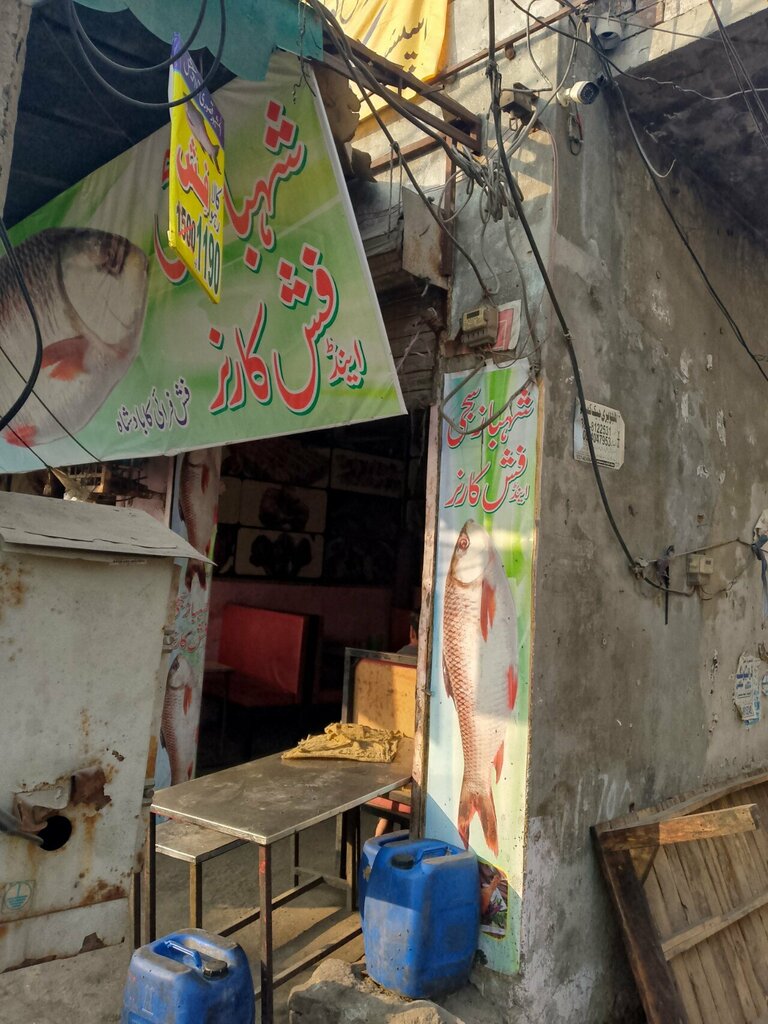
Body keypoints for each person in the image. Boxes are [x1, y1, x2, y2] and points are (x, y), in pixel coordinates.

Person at [375, 610, 420, 837]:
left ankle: (375, 847)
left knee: (387, 808)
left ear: (411, 631)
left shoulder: (392, 663)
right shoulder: (432, 666)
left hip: (387, 764)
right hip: (418, 771)